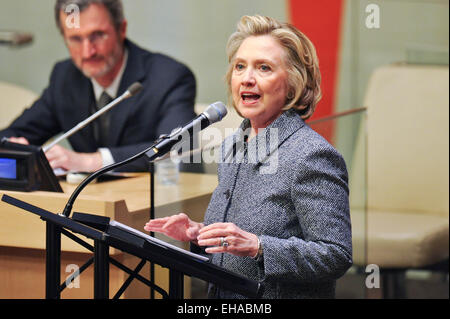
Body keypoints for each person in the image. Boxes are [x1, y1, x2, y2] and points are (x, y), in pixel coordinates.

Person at [144, 15, 352, 299]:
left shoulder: (311, 155)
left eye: (263, 68)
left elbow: (335, 254)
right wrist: (198, 234)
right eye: (240, 67)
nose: (246, 78)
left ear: (293, 83)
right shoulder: (233, 144)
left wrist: (258, 246)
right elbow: (237, 237)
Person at [0, 0, 196, 172]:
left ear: (122, 29)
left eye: (98, 35)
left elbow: (177, 148)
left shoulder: (169, 76)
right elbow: (13, 134)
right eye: (75, 39)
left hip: (152, 206)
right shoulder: (65, 77)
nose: (87, 52)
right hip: (84, 203)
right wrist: (14, 146)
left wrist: (89, 161)